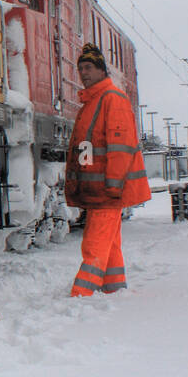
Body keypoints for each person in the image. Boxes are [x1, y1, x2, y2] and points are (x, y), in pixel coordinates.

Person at [63, 42, 151, 295]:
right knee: (109, 241)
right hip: (97, 188)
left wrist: (113, 185)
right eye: (81, 69)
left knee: (95, 242)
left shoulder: (112, 100)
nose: (84, 73)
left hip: (107, 189)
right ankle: (113, 287)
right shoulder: (93, 103)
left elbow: (120, 148)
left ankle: (82, 293)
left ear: (102, 70)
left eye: (89, 67)